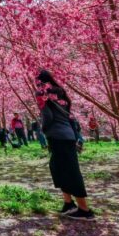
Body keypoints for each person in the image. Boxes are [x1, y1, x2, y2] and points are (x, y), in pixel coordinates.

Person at [36, 69, 95, 221]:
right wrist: (75, 136)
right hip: (67, 135)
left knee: (70, 171)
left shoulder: (43, 94)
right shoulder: (61, 92)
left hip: (57, 136)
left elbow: (47, 116)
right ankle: (68, 203)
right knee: (57, 167)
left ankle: (84, 210)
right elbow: (70, 117)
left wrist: (44, 129)